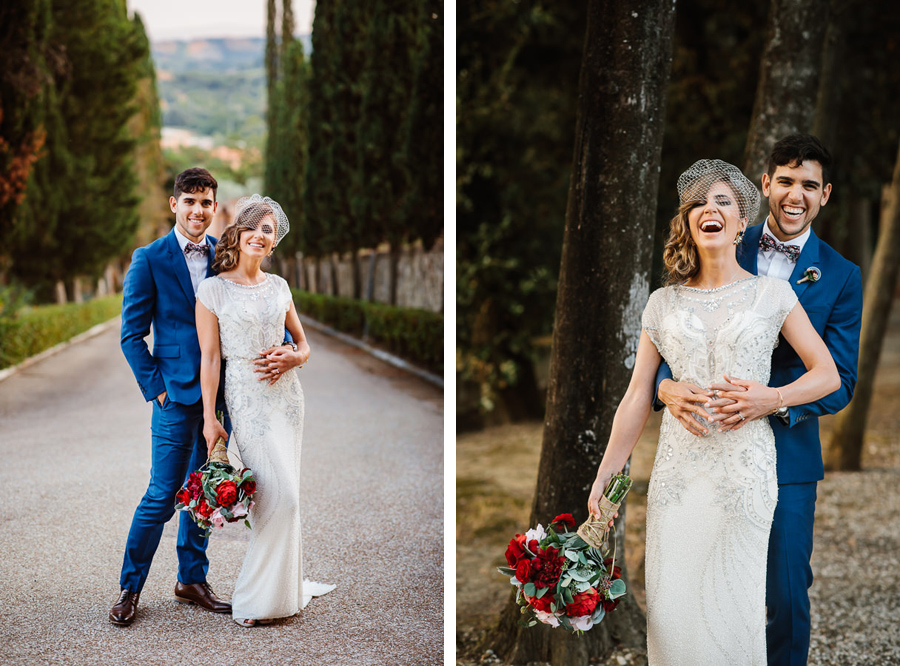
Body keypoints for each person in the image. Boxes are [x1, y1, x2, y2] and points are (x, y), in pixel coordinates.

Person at [586, 159, 840, 664]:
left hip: (743, 476)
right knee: (673, 612)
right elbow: (638, 395)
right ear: (687, 221)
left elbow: (827, 374)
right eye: (699, 202)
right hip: (677, 478)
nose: (710, 208)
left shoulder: (772, 294)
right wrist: (605, 478)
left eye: (723, 200)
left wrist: (772, 397)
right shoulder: (661, 303)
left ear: (741, 221)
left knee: (735, 610)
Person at [655, 136, 862, 665]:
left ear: (826, 195)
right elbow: (673, 326)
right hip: (706, 444)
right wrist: (665, 386)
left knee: (786, 594)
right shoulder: (721, 232)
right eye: (787, 181)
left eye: (810, 186)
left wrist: (775, 400)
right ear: (766, 184)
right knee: (700, 582)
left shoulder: (840, 276)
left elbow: (839, 378)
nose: (797, 196)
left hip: (787, 453)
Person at [113, 170, 302, 626]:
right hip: (175, 397)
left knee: (207, 491)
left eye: (207, 203)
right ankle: (130, 587)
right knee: (161, 494)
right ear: (174, 204)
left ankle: (191, 580)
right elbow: (131, 335)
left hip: (223, 398)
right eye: (191, 201)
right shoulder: (148, 258)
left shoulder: (226, 253)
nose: (199, 210)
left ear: (216, 209)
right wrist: (157, 390)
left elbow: (256, 309)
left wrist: (286, 355)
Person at [195, 194, 335, 628]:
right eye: (253, 227)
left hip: (288, 401)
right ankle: (254, 599)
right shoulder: (212, 289)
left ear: (274, 243)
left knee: (288, 494)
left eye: (268, 230)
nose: (259, 235)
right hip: (248, 401)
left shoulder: (280, 287)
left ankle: (282, 594)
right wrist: (209, 418)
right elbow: (211, 358)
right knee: (277, 498)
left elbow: (305, 345)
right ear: (238, 233)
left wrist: (295, 357)